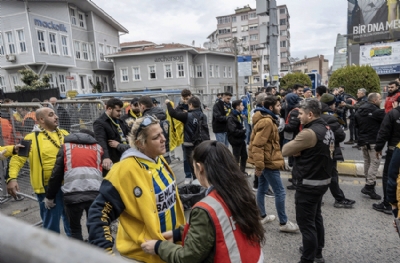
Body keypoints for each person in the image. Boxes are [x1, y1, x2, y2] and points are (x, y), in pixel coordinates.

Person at [140, 140, 265, 262]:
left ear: (199, 168)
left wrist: (158, 247)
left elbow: (187, 257)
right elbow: (215, 228)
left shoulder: (205, 209)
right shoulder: (237, 190)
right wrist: (179, 233)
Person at [87, 116, 186, 263]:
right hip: (143, 255)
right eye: (156, 137)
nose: (163, 139)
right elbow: (97, 214)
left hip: (169, 249)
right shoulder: (124, 170)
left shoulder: (158, 158)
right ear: (140, 144)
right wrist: (106, 255)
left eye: (162, 133)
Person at [282, 99, 334, 263]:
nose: (298, 117)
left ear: (310, 114)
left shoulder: (308, 133)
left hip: (309, 182)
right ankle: (317, 252)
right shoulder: (326, 128)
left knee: (306, 224)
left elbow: (285, 150)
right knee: (316, 218)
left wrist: (299, 150)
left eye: (301, 114)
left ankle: (308, 258)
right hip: (322, 180)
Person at [6, 107, 71, 235]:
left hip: (69, 185)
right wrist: (11, 178)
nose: (56, 117)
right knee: (51, 225)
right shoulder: (31, 138)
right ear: (41, 119)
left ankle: (75, 248)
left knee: (72, 221)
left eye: (55, 114)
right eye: (51, 115)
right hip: (47, 189)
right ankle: (50, 252)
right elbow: (17, 160)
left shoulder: (64, 134)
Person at [248, 96, 299, 232]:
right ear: (270, 108)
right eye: (277, 106)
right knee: (280, 192)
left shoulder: (266, 119)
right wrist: (259, 166)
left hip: (266, 161)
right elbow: (258, 145)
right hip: (268, 163)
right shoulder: (267, 122)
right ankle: (283, 223)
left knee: (262, 189)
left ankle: (261, 215)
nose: (280, 107)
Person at [45, 129, 103, 241]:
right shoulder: (98, 148)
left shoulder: (66, 147)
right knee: (94, 227)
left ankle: (79, 255)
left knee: (75, 229)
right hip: (95, 194)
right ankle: (96, 253)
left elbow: (56, 174)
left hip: (73, 194)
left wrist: (50, 196)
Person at [319, 94, 356, 208]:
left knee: (320, 175)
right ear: (331, 104)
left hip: (317, 151)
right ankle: (339, 199)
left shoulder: (315, 115)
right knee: (332, 176)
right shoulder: (330, 118)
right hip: (329, 150)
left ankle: (320, 199)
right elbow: (340, 136)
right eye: (334, 104)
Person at [165, 96, 210, 185]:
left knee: (194, 168)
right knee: (202, 165)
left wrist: (168, 104)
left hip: (190, 145)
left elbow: (172, 113)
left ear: (190, 105)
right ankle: (204, 184)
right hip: (202, 144)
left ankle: (197, 185)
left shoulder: (187, 116)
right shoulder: (203, 115)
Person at [355, 93, 385, 199]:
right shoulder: (377, 111)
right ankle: (369, 186)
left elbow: (356, 125)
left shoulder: (359, 110)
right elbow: (386, 123)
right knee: (375, 163)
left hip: (363, 141)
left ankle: (369, 184)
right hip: (373, 141)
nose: (381, 101)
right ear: (375, 100)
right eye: (380, 99)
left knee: (367, 162)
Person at [374, 97, 400, 214]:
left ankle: (388, 204)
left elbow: (384, 132)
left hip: (394, 150)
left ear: (396, 103)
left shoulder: (393, 114)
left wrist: (378, 147)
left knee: (389, 176)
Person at [93, 98, 130, 177]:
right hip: (112, 159)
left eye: (120, 111)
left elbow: (127, 133)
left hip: (123, 157)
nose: (120, 113)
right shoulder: (100, 123)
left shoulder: (120, 121)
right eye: (118, 111)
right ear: (109, 109)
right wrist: (105, 157)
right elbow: (101, 141)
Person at [139, 96, 171, 164]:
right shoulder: (162, 114)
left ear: (142, 106)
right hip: (165, 151)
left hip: (153, 154)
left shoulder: (146, 120)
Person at [227, 99, 248, 176]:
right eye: (241, 105)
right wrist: (243, 131)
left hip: (241, 139)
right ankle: (235, 174)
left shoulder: (238, 115)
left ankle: (242, 171)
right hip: (235, 140)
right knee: (236, 157)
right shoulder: (231, 117)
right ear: (237, 107)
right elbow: (234, 131)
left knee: (244, 156)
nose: (243, 106)